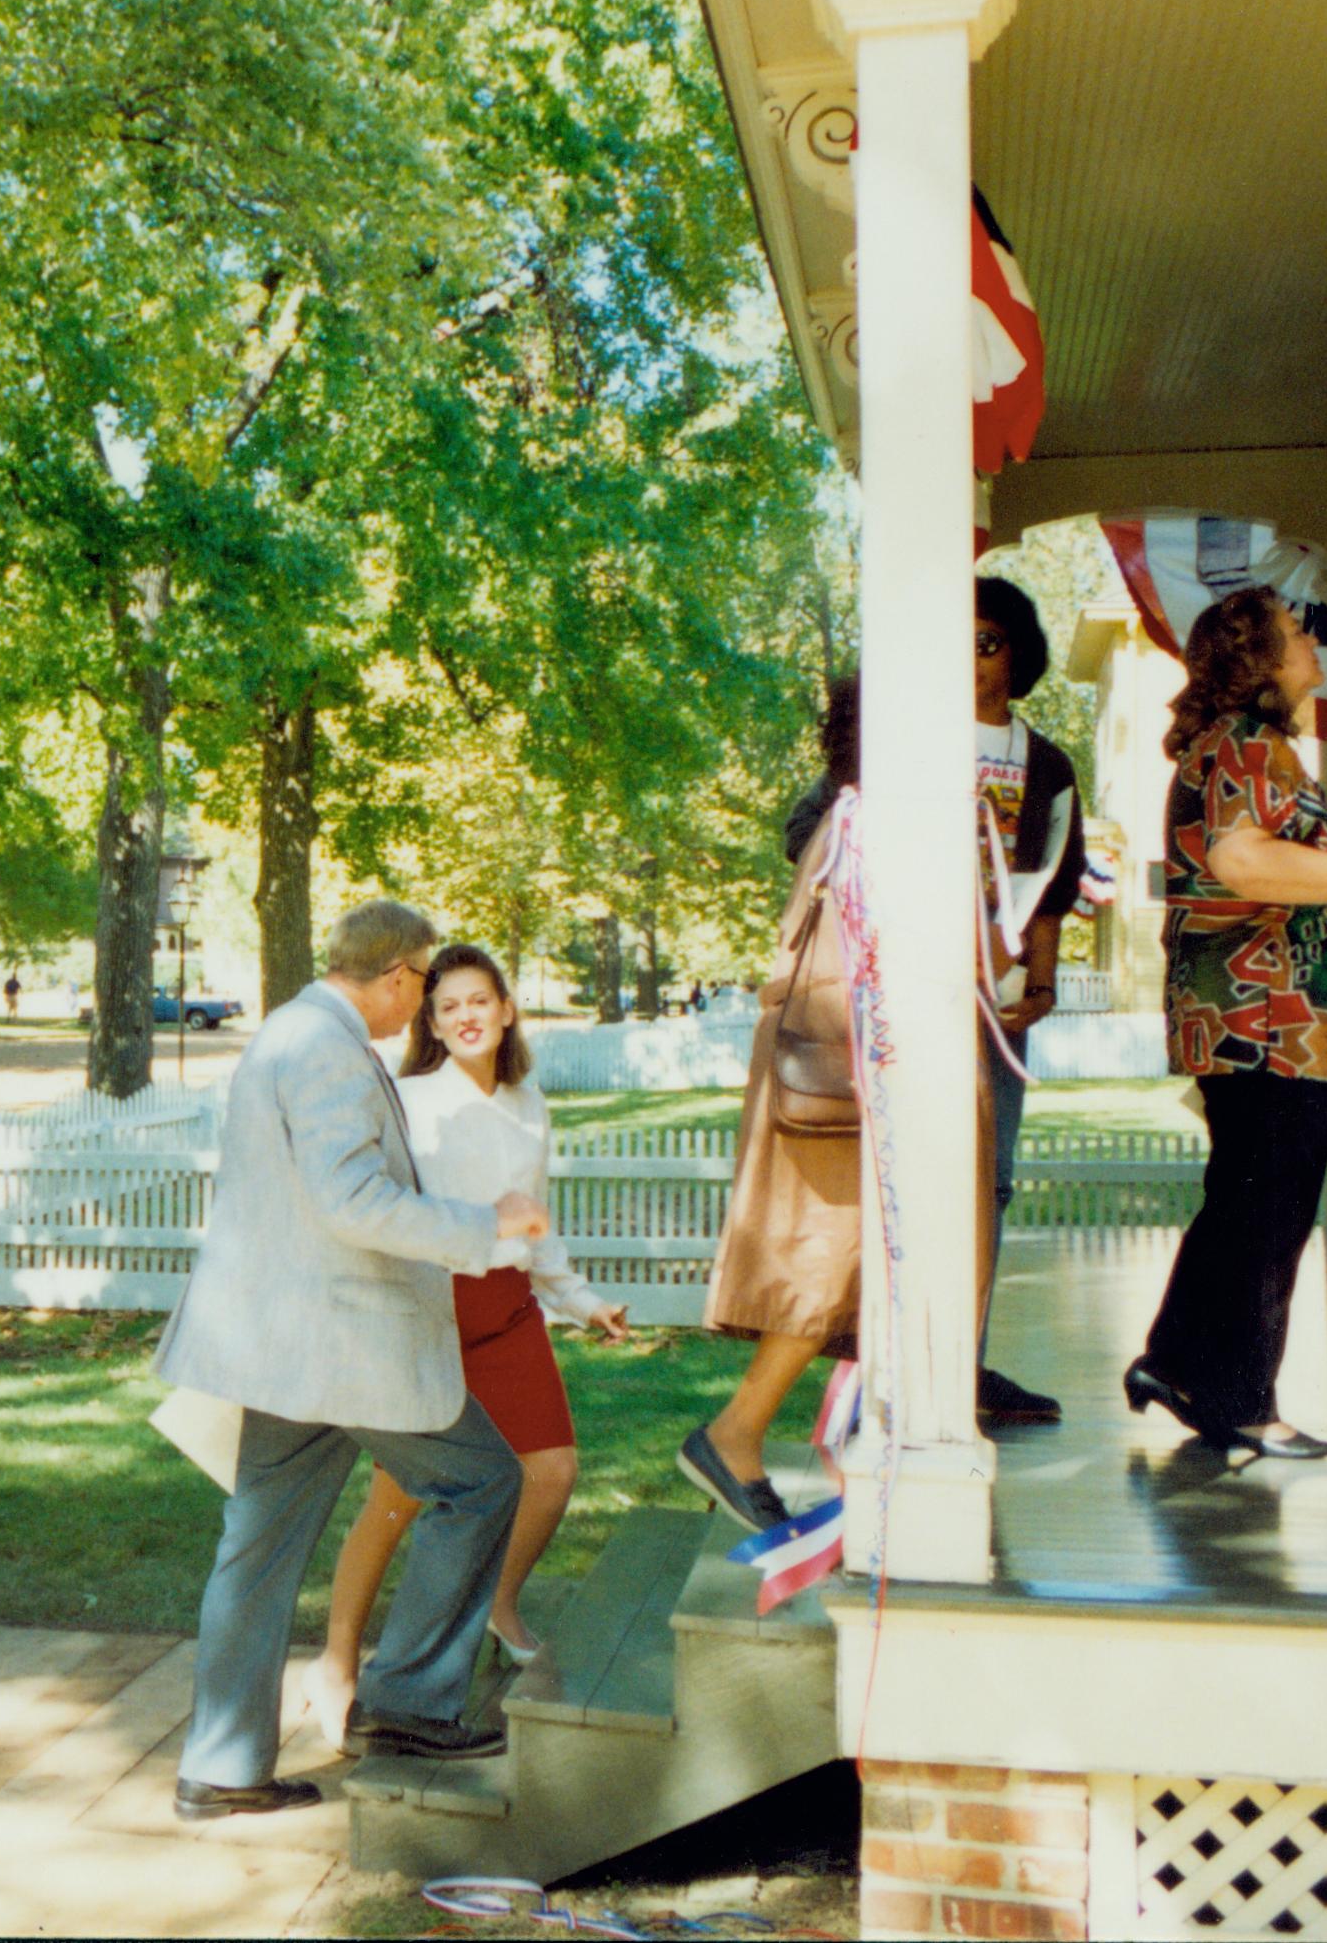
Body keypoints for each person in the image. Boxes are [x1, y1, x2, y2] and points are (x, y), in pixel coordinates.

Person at [155, 901, 552, 1822]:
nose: (415, 1012)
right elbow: (352, 1202)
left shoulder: (291, 1033)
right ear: (399, 976)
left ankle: (221, 1767)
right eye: (418, 989)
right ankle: (410, 1703)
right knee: (486, 1479)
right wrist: (482, 1227)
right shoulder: (326, 1047)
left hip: (282, 1349)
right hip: (342, 1343)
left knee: (254, 1551)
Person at [687, 676, 1001, 1531]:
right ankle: (737, 1433)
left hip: (862, 1080)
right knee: (836, 1259)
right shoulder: (871, 825)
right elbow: (854, 974)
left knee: (865, 1263)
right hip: (854, 1087)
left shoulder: (867, 819)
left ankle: (787, 1438)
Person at [1129, 586, 1327, 1460]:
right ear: (1258, 659)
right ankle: (1242, 1400)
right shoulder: (1250, 747)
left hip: (1259, 1019)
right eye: (1297, 634)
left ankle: (1176, 1358)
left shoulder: (1237, 748)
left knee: (1242, 1202)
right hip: (1270, 1021)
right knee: (1269, 1212)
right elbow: (1240, 857)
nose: (1315, 646)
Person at [309, 945, 626, 1744]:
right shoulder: (409, 1102)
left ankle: (498, 1604)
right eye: (448, 1007)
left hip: (510, 1312)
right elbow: (380, 1211)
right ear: (433, 1023)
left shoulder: (529, 1103)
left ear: (507, 1009)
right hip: (430, 1311)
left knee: (550, 1473)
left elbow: (535, 1225)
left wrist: (582, 1303)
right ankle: (339, 1659)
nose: (466, 1017)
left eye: (479, 1000)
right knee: (401, 1496)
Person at [971, 576, 1089, 1426]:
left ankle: (963, 1363)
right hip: (916, 992)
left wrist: (1041, 985)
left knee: (993, 1180)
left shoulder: (1045, 762)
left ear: (1018, 654)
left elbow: (1054, 888)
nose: (971, 664)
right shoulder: (902, 741)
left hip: (999, 998)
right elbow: (808, 833)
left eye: (988, 643)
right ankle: (897, 1367)